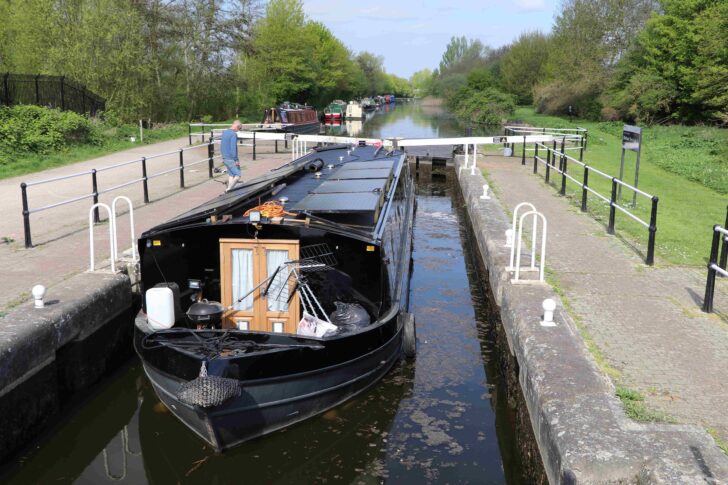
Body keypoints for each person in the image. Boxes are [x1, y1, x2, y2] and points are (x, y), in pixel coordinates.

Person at [220, 120, 242, 192]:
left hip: (225, 157)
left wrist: (223, 156)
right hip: (231, 158)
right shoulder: (233, 134)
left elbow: (222, 145)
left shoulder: (225, 132)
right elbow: (233, 148)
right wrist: (236, 159)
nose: (237, 131)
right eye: (239, 129)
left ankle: (229, 190)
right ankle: (228, 190)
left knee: (231, 174)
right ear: (237, 127)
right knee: (238, 175)